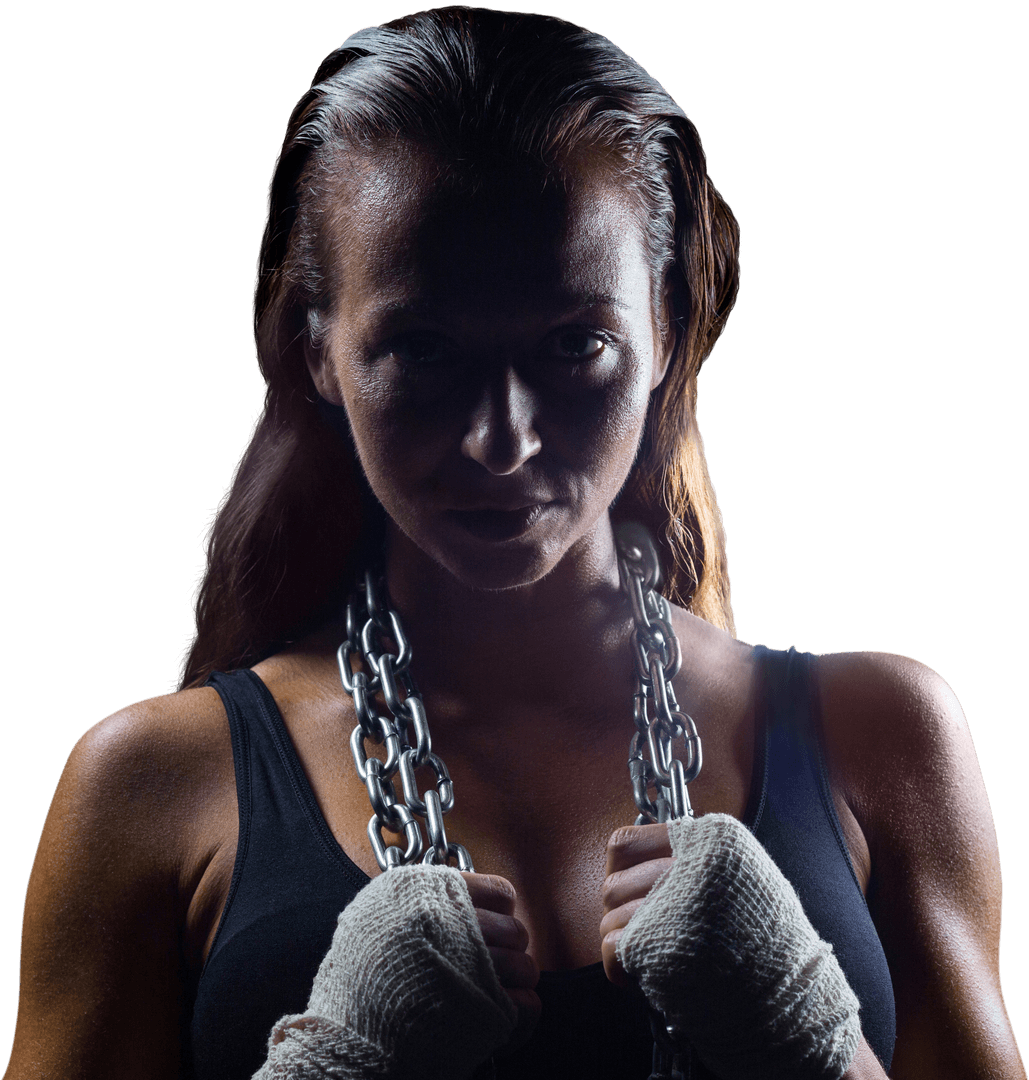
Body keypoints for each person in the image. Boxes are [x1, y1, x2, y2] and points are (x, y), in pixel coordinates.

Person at [4, 7, 1024, 1079]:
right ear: (318, 349)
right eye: (425, 348)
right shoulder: (153, 783)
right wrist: (338, 1064)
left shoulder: (880, 737)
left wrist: (807, 1035)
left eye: (576, 344)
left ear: (667, 331)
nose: (503, 439)